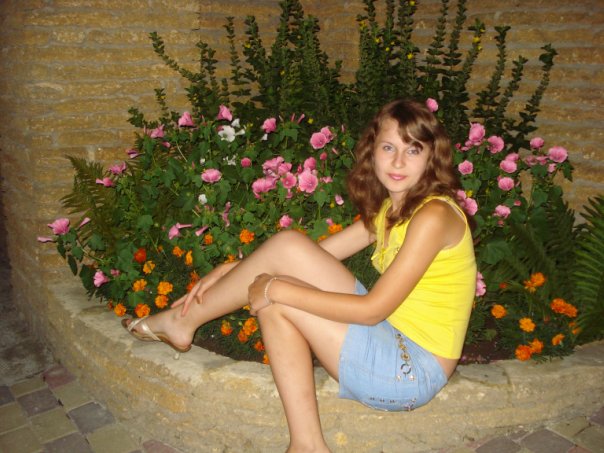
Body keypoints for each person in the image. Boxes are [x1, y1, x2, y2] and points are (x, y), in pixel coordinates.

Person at [123, 98, 477, 453]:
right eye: (388, 147)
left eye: (413, 150)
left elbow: (372, 310)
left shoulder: (433, 217)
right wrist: (235, 270)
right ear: (372, 151)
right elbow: (305, 256)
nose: (398, 162)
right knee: (278, 282)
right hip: (392, 341)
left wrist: (275, 288)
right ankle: (307, 446)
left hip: (410, 373)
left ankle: (181, 322)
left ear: (431, 157)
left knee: (276, 294)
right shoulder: (394, 208)